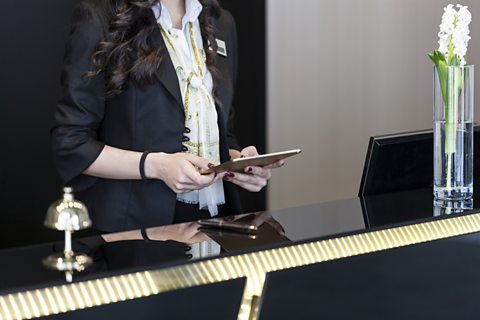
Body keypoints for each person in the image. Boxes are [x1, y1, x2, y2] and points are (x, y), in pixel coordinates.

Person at [51, 0, 282, 233]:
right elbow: (71, 144)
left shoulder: (221, 22)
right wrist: (156, 166)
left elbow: (224, 133)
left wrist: (239, 164)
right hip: (138, 231)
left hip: (218, 223)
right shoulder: (99, 17)